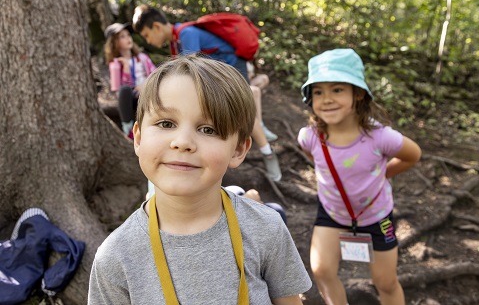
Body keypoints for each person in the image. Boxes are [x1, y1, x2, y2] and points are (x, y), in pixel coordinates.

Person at [88, 55, 312, 304]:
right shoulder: (115, 257)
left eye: (208, 129)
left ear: (238, 150)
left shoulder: (265, 229)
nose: (182, 142)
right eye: (166, 123)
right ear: (138, 138)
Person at [297, 48, 421, 305]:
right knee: (321, 270)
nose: (326, 99)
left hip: (377, 217)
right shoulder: (309, 136)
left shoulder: (380, 137)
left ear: (358, 93)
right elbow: (315, 159)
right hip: (331, 213)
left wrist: (382, 175)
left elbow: (413, 155)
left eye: (337, 89)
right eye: (318, 91)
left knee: (385, 281)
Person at [132, 4, 281, 181]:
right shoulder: (176, 40)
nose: (148, 41)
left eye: (147, 35)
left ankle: (268, 153)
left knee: (243, 110)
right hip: (220, 74)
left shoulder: (186, 34)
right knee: (249, 95)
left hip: (231, 66)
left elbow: (193, 71)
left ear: (156, 26)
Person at [104, 22, 156, 138]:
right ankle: (128, 128)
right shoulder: (116, 64)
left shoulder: (142, 58)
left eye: (128, 35)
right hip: (131, 97)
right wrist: (126, 69)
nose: (128, 38)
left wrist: (145, 86)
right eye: (122, 37)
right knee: (125, 90)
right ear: (114, 43)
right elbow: (118, 89)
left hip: (146, 91)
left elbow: (155, 74)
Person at [247, 61, 278, 142]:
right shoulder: (233, 55)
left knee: (264, 78)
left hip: (247, 83)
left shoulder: (249, 59)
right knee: (255, 91)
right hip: (237, 86)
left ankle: (251, 105)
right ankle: (260, 126)